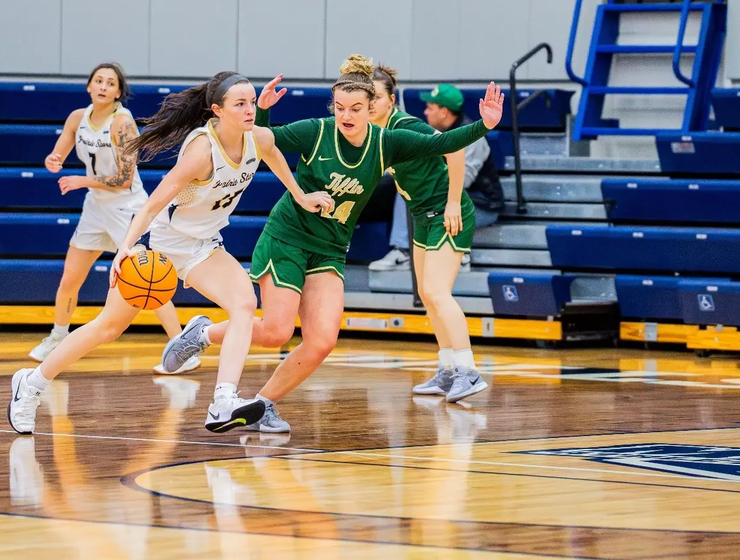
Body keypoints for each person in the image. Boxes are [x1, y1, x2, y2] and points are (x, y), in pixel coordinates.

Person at [160, 55, 504, 433]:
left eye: (356, 108)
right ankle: (203, 333)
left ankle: (264, 404)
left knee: (322, 341)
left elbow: (450, 142)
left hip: (330, 247)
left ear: (372, 107)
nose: (346, 115)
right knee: (276, 332)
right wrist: (262, 114)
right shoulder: (316, 131)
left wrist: (484, 125)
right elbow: (266, 143)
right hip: (289, 238)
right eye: (340, 108)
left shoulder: (388, 141)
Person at [7, 72, 333, 435]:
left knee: (243, 304)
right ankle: (32, 383)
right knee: (109, 326)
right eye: (239, 104)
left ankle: (223, 401)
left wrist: (301, 196)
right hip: (160, 246)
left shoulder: (258, 138)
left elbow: (274, 156)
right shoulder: (201, 153)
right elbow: (150, 206)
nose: (249, 110)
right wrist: (125, 249)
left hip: (203, 246)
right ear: (217, 110)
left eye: (251, 102)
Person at [28, 63, 184, 367]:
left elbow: (124, 179)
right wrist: (54, 159)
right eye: (98, 81)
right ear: (88, 86)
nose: (102, 86)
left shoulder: (122, 124)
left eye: (110, 83)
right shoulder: (77, 118)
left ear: (118, 92)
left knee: (148, 280)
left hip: (127, 207)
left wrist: (82, 180)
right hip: (96, 207)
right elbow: (60, 150)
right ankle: (58, 337)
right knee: (70, 277)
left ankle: (180, 348)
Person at [368, 65, 489, 402]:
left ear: (391, 100)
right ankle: (447, 370)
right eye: (367, 97)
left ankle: (469, 371)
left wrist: (453, 203)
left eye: (376, 97)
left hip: (448, 214)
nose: (371, 103)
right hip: (422, 216)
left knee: (437, 291)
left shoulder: (407, 126)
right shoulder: (371, 133)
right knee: (426, 293)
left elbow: (455, 149)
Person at [370, 83, 504, 272]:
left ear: (445, 111)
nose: (425, 113)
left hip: (481, 204)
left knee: (413, 190)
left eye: (430, 108)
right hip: (446, 200)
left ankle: (405, 251)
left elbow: (461, 182)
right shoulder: (433, 134)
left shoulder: (473, 137)